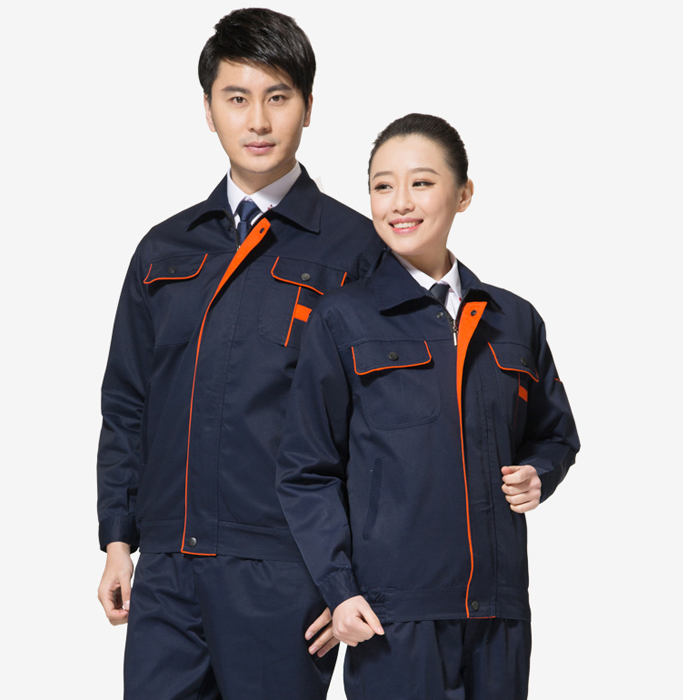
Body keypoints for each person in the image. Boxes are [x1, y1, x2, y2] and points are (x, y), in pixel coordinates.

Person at [95, 9, 385, 699]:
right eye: (237, 98)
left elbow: (385, 430)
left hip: (287, 574)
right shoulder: (165, 249)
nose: (257, 121)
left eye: (277, 97)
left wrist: (347, 580)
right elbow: (128, 402)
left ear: (308, 107)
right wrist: (118, 540)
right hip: (168, 571)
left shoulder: (356, 250)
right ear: (208, 110)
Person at [277, 113, 580, 699]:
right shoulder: (342, 318)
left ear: (463, 194)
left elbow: (555, 434)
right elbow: (306, 470)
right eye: (382, 185)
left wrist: (539, 472)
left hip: (498, 613)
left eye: (421, 182)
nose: (399, 202)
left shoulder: (514, 319)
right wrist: (340, 588)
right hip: (394, 617)